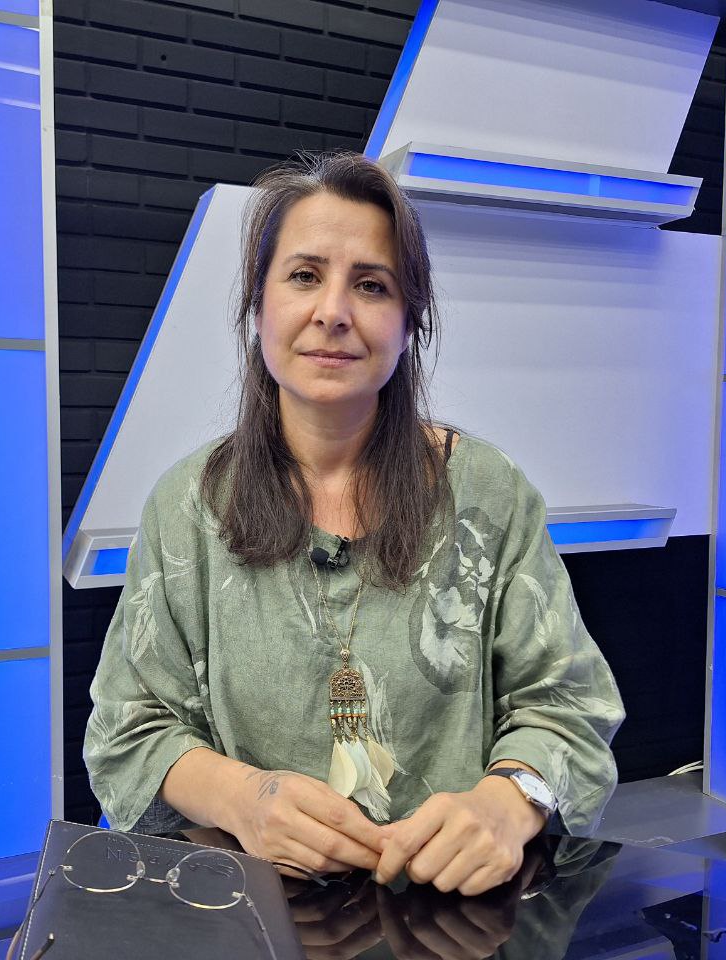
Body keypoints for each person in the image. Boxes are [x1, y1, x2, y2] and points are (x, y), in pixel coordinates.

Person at [83, 150, 625, 898]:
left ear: (410, 321)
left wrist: (508, 803)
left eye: (371, 285)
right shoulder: (187, 506)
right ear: (258, 306)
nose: (333, 312)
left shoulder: (488, 494)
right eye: (304, 276)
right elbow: (128, 730)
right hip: (255, 917)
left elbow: (568, 705)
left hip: (453, 916)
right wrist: (243, 799)